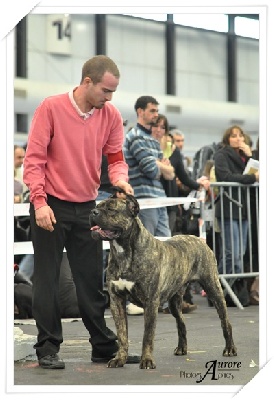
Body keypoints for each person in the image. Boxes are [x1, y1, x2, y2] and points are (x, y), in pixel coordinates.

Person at [23, 55, 140, 370]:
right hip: (51, 205)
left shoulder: (110, 115)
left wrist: (120, 180)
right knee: (46, 279)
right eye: (105, 90)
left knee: (90, 280)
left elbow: (115, 157)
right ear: (87, 82)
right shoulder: (50, 108)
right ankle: (47, 348)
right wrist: (39, 202)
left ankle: (102, 346)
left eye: (113, 92)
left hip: (88, 209)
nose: (110, 97)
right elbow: (33, 159)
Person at [151, 114, 210, 313]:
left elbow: (182, 176)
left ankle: (173, 300)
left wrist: (199, 185)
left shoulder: (174, 152)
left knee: (170, 255)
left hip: (171, 205)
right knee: (153, 254)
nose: (160, 130)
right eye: (157, 126)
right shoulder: (150, 147)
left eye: (163, 127)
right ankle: (153, 300)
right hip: (150, 203)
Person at [123, 95, 174, 237]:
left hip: (159, 199)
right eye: (152, 111)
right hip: (145, 201)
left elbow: (170, 175)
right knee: (147, 249)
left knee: (165, 246)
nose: (156, 114)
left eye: (157, 111)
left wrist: (159, 166)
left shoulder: (154, 141)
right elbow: (151, 171)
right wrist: (160, 166)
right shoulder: (135, 136)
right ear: (140, 111)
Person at [214, 125, 259, 275]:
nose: (238, 139)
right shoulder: (221, 154)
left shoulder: (245, 156)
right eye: (233, 136)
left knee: (240, 255)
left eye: (240, 135)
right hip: (229, 207)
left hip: (243, 209)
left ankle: (228, 291)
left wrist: (250, 156)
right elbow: (225, 176)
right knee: (231, 255)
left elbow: (257, 169)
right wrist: (251, 178)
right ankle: (218, 288)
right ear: (227, 139)